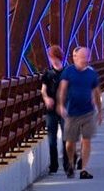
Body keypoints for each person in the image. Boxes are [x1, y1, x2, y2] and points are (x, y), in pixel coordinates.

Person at [57, 47, 102, 179]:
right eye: (82, 57)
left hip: (88, 111)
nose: (84, 60)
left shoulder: (92, 73)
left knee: (87, 140)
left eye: (86, 57)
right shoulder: (68, 71)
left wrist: (100, 111)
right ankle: (71, 161)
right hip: (72, 112)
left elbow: (96, 92)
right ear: (75, 57)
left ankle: (84, 169)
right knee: (70, 142)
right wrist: (60, 105)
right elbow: (62, 89)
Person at [41, 45, 69, 174]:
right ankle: (53, 166)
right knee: (52, 139)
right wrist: (46, 98)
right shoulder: (47, 73)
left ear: (59, 57)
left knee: (66, 138)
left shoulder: (67, 72)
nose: (52, 60)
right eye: (50, 58)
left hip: (64, 108)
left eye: (53, 57)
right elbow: (43, 90)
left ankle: (67, 164)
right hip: (51, 111)